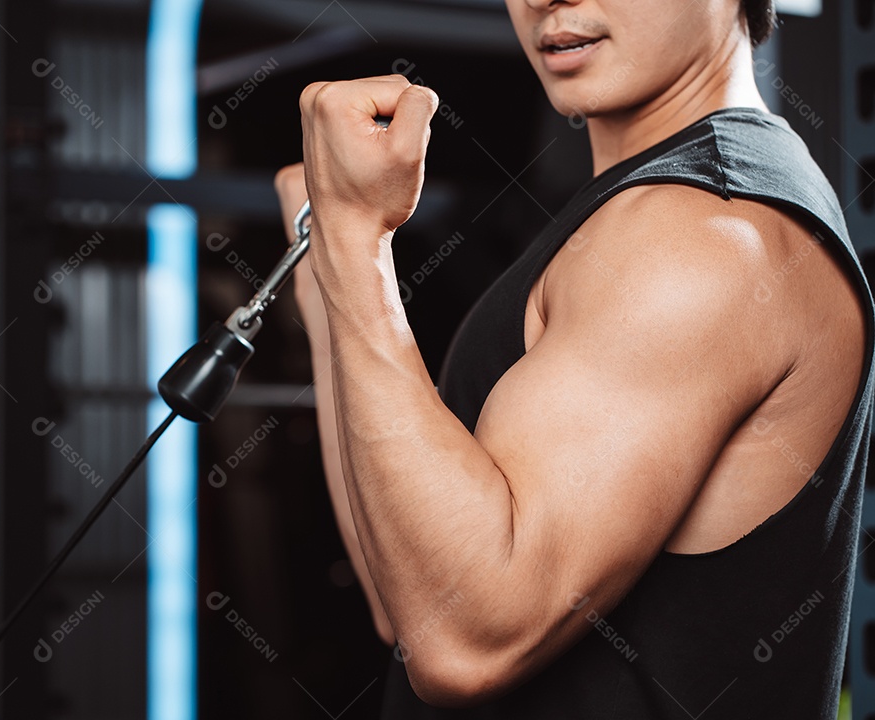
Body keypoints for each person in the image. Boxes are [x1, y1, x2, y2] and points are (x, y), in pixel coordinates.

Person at [274, 0, 873, 716]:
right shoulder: (639, 212)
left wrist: (353, 237)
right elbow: (403, 597)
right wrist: (330, 272)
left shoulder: (702, 231)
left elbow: (463, 643)